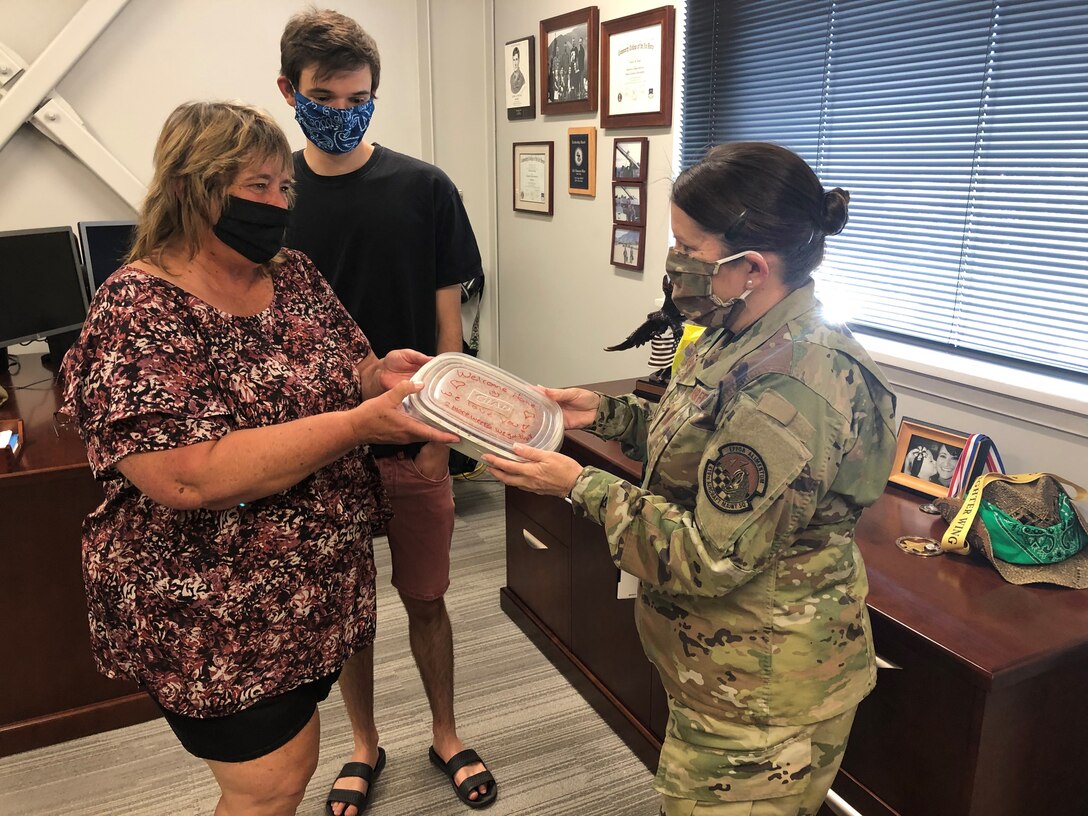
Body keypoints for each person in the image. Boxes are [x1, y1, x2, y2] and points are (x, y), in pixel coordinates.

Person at [58, 101, 456, 816]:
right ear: (189, 187)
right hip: (213, 609)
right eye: (256, 186)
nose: (277, 203)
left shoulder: (294, 275)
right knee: (271, 783)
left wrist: (381, 374)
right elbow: (185, 473)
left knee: (284, 771)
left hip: (310, 597)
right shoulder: (138, 306)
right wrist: (357, 422)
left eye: (284, 188)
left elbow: (352, 364)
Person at [484, 142, 898, 816]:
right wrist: (610, 417)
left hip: (763, 696)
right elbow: (705, 454)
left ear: (751, 267)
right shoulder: (738, 333)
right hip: (719, 672)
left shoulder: (792, 386)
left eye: (685, 246)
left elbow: (708, 556)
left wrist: (576, 483)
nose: (674, 264)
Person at [276, 9, 496, 814]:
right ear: (287, 92)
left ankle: (445, 730)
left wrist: (445, 438)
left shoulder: (424, 188)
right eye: (325, 96)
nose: (344, 110)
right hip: (318, 445)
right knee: (349, 611)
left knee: (428, 596)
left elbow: (449, 336)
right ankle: (363, 743)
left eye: (360, 95)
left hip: (414, 438)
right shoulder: (273, 200)